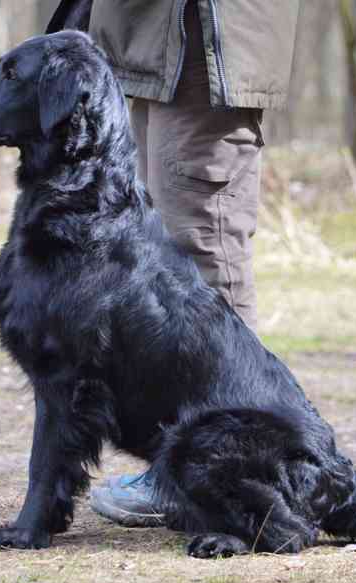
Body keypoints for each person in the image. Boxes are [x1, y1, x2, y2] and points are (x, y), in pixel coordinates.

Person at [48, 0, 301, 527]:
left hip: (202, 34)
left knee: (202, 251)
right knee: (166, 266)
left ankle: (242, 477)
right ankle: (193, 461)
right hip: (156, 36)